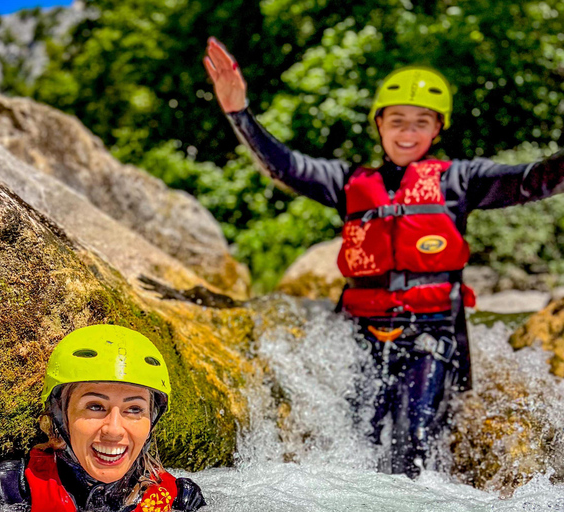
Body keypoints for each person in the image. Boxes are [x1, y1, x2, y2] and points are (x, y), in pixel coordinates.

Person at [204, 37, 564, 477]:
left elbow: (533, 180)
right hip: (362, 334)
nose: (407, 133)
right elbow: (286, 166)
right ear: (379, 124)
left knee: (412, 448)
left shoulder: (459, 181)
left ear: (437, 129)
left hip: (432, 336)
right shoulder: (349, 181)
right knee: (357, 447)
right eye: (397, 121)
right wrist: (240, 113)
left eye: (420, 123)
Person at [0, 324, 207, 511]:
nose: (114, 430)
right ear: (59, 416)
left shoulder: (180, 499)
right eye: (95, 406)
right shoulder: (9, 488)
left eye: (134, 409)